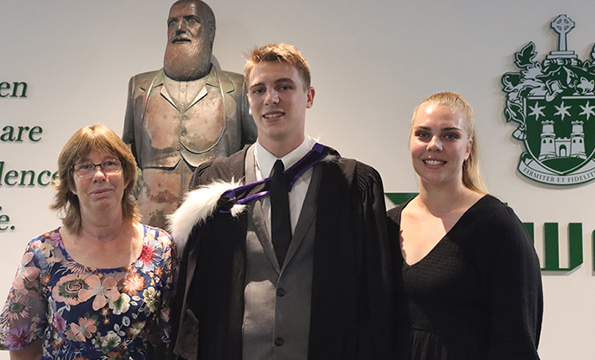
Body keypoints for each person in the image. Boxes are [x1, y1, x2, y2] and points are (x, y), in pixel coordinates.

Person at [167, 43, 394, 360]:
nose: (270, 98)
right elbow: (194, 295)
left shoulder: (354, 185)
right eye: (259, 89)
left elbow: (373, 297)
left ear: (309, 96)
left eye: (284, 87)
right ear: (248, 103)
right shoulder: (215, 185)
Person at [0, 125, 178, 359]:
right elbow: (22, 346)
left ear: (127, 175)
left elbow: (174, 341)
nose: (99, 175)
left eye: (110, 163)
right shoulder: (42, 253)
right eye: (85, 167)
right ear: (70, 183)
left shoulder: (161, 248)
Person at [386, 92, 543, 360]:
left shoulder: (497, 226)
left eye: (450, 135)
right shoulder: (386, 224)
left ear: (468, 148)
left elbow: (516, 342)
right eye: (423, 134)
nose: (434, 145)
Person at [123, 0, 257, 228]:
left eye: (191, 20)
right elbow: (127, 149)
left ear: (211, 31)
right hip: (150, 220)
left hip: (214, 218)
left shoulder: (236, 87)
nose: (179, 28)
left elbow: (253, 149)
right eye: (172, 22)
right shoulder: (140, 87)